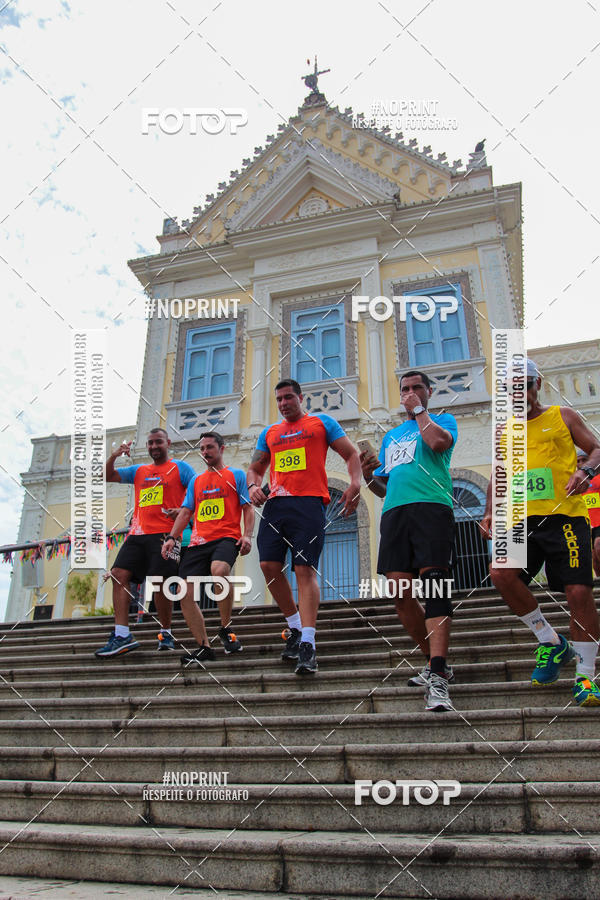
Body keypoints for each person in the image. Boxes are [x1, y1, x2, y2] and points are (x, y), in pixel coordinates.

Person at [480, 358, 600, 706]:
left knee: (578, 593)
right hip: (521, 522)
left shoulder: (563, 416)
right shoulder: (505, 431)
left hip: (565, 517)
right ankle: (550, 641)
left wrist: (585, 473)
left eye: (525, 384)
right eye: (511, 388)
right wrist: (489, 511)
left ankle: (585, 677)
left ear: (537, 385)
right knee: (501, 574)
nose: (520, 393)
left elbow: (595, 448)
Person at [246, 379, 361, 675]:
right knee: (268, 566)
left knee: (303, 570)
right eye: (279, 400)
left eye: (288, 398)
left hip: (309, 505)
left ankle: (308, 643)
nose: (284, 403)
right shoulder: (269, 433)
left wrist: (355, 484)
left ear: (300, 397)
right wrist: (253, 486)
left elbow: (351, 454)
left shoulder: (321, 423)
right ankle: (294, 627)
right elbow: (256, 468)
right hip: (276, 505)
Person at [361, 370, 458, 712]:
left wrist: (420, 412)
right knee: (400, 592)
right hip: (395, 513)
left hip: (432, 508)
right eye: (405, 389)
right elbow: (381, 487)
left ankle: (437, 675)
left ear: (429, 391)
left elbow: (437, 444)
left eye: (417, 388)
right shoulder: (391, 437)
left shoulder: (441, 421)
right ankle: (434, 661)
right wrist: (367, 475)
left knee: (434, 587)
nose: (411, 392)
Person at [95, 428, 195, 657]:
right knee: (118, 573)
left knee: (160, 583)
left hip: (167, 534)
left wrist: (181, 511)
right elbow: (106, 476)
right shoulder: (139, 470)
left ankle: (166, 632)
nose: (153, 447)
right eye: (150, 443)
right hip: (138, 533)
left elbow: (197, 493)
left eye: (158, 442)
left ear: (167, 443)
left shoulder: (181, 468)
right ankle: (122, 635)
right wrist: (113, 456)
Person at [161, 432, 254, 665]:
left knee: (219, 570)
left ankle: (225, 627)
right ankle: (204, 646)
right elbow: (185, 513)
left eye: (210, 447)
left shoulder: (236, 475)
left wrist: (248, 536)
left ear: (221, 448)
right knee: (183, 591)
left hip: (226, 537)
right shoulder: (196, 481)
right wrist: (172, 538)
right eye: (202, 449)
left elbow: (248, 508)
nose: (205, 452)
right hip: (198, 542)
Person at [579, 450, 600, 578]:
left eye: (584, 460)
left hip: (599, 522)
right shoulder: (575, 481)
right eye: (578, 461)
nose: (581, 463)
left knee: (599, 546)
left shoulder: (597, 478)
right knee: (595, 560)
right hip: (586, 523)